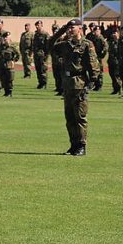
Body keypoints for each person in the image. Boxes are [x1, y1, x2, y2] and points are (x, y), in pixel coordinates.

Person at [52, 19, 99, 156]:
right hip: (67, 84)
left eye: (73, 27)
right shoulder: (66, 45)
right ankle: (73, 145)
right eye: (69, 27)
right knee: (70, 117)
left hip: (80, 84)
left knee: (80, 117)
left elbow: (93, 65)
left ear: (80, 29)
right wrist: (60, 31)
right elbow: (49, 45)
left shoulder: (86, 45)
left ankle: (81, 146)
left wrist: (90, 84)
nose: (70, 30)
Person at [0, 31, 19, 97]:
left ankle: (9, 92)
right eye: (4, 38)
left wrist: (14, 60)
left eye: (6, 38)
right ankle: (5, 92)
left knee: (9, 80)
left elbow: (17, 55)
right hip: (2, 65)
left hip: (9, 65)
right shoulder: (2, 46)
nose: (5, 39)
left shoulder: (12, 47)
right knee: (3, 79)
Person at [32, 20, 50, 89]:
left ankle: (44, 83)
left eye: (38, 25)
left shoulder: (45, 34)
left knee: (43, 69)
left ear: (41, 25)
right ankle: (40, 83)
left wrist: (46, 54)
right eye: (36, 25)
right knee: (38, 69)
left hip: (43, 55)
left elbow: (48, 45)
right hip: (36, 55)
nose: (37, 26)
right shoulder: (36, 34)